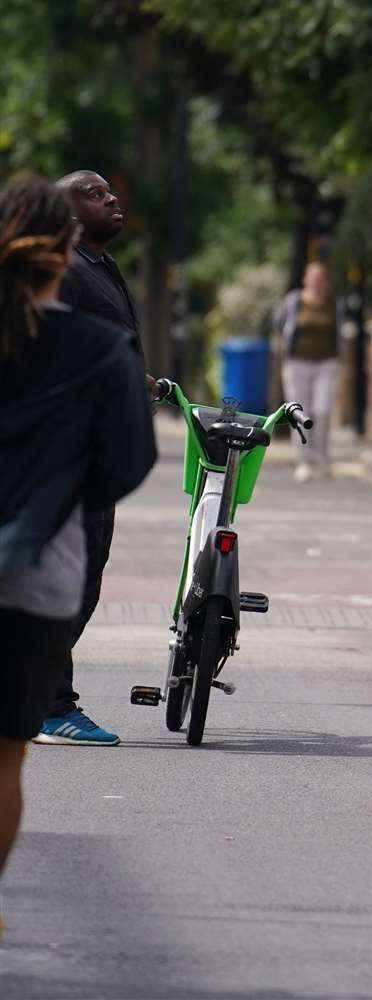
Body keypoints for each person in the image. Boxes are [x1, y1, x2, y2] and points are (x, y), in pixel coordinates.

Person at [0, 178, 155, 879]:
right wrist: (67, 499)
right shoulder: (96, 345)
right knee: (7, 755)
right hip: (36, 573)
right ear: (67, 253)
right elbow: (128, 460)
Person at [32, 170, 151, 747]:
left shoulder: (96, 265)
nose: (112, 199)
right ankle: (49, 705)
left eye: (110, 191)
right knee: (71, 583)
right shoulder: (66, 269)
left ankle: (44, 698)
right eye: (96, 194)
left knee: (80, 579)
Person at [274, 261, 341, 482]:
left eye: (321, 278)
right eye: (313, 278)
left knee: (322, 411)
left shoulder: (332, 303)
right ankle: (303, 461)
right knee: (301, 413)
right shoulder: (294, 301)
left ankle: (321, 457)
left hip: (326, 363)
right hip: (296, 363)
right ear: (305, 279)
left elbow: (338, 330)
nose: (317, 283)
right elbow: (279, 325)